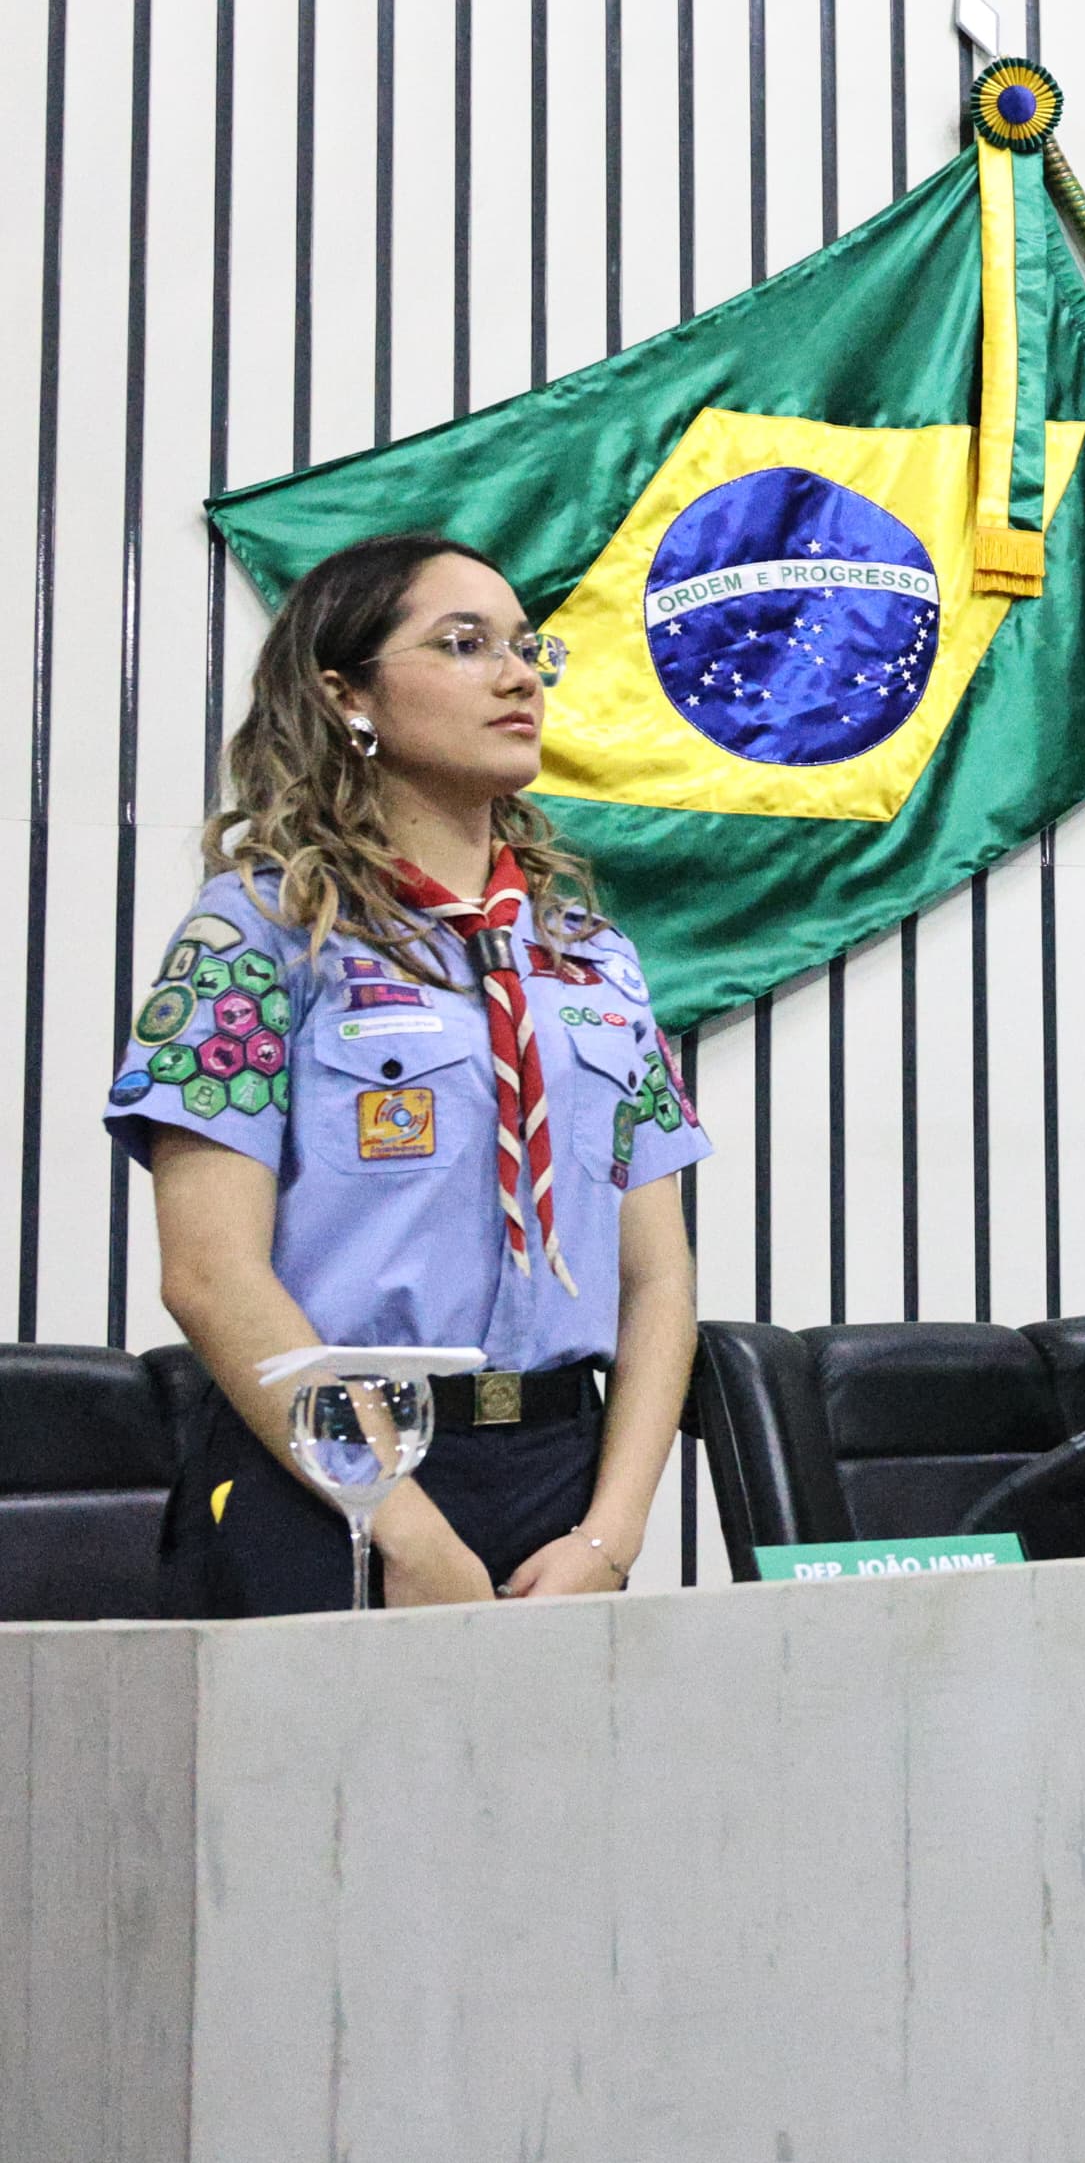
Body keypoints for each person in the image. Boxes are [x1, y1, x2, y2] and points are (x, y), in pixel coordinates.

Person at [110, 532, 702, 1614]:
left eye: (528, 647)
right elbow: (208, 1272)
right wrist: (400, 1524)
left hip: (557, 1487)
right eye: (464, 643)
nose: (518, 674)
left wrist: (611, 1536)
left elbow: (657, 1279)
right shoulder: (260, 931)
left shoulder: (588, 957)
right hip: (324, 1481)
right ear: (350, 697)